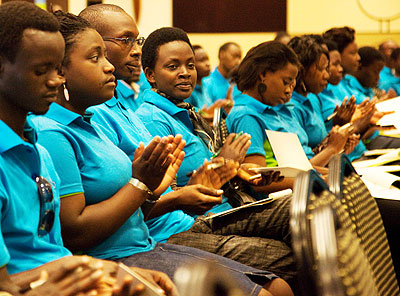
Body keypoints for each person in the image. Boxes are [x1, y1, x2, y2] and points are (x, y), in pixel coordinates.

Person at [33, 11, 290, 296]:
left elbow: (136, 206)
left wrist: (157, 186)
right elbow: (75, 232)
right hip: (134, 248)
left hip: (148, 241)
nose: (111, 65)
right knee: (281, 274)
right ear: (61, 70)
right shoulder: (55, 131)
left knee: (297, 242)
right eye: (97, 57)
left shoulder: (94, 121)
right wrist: (148, 186)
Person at [0, 2, 173, 296]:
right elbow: (8, 284)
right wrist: (95, 270)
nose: (56, 79)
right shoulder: (44, 138)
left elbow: (53, 251)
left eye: (58, 68)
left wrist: (108, 271)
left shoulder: (37, 149)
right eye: (42, 70)